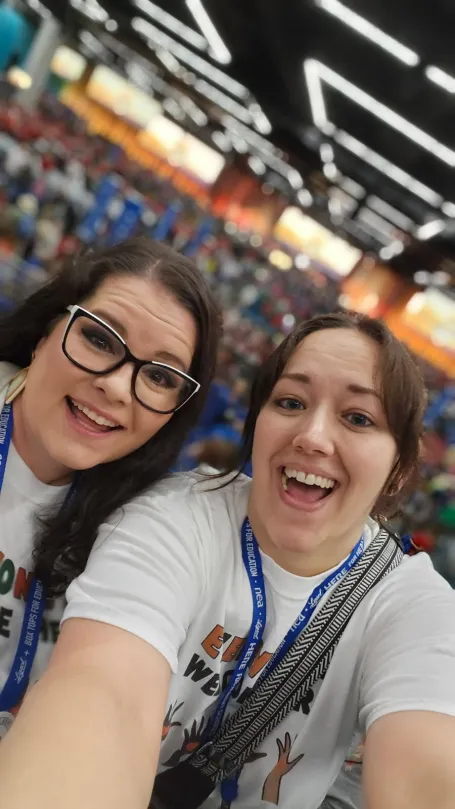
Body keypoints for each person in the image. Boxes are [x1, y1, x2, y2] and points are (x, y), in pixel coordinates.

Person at [1, 312, 455, 809]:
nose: (313, 436)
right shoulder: (175, 518)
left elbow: (427, 764)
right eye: (290, 402)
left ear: (399, 470)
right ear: (256, 424)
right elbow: (103, 691)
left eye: (358, 418)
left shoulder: (412, 605)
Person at [0, 235, 221, 740]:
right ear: (45, 332)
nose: (117, 386)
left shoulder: (151, 530)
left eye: (161, 377)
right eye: (99, 339)